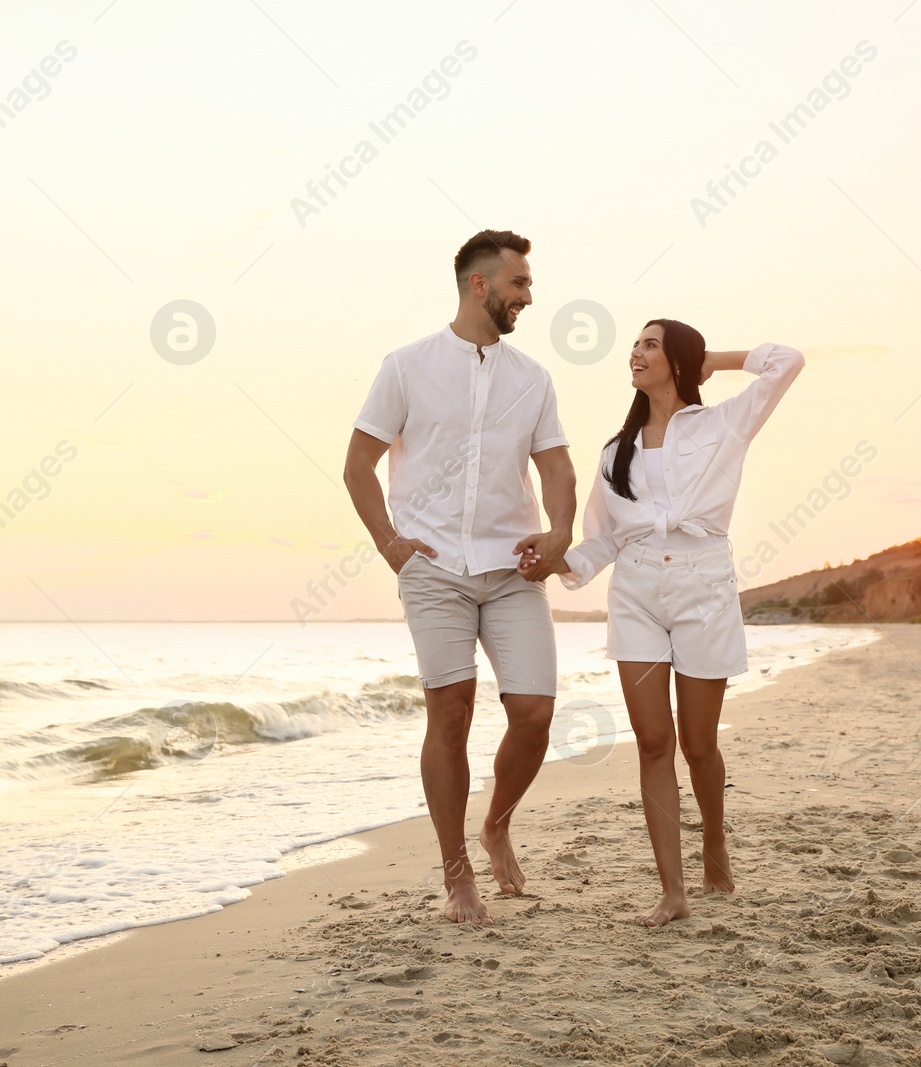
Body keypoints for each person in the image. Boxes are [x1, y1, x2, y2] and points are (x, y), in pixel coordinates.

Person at [517, 319, 803, 927]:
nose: (636, 354)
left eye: (651, 344)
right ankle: (671, 892)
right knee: (653, 742)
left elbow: (788, 361)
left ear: (675, 358)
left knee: (700, 746)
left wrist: (707, 359)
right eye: (636, 345)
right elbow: (600, 542)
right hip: (638, 593)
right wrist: (555, 562)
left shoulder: (724, 423)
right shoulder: (614, 452)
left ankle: (715, 844)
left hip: (705, 590)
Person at [344, 230, 576, 926]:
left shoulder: (532, 377)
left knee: (534, 712)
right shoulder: (407, 366)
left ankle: (497, 821)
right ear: (480, 284)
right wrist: (390, 543)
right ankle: (457, 876)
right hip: (434, 568)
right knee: (450, 712)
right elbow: (359, 464)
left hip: (513, 569)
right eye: (519, 284)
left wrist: (559, 533)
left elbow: (557, 467)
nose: (528, 297)